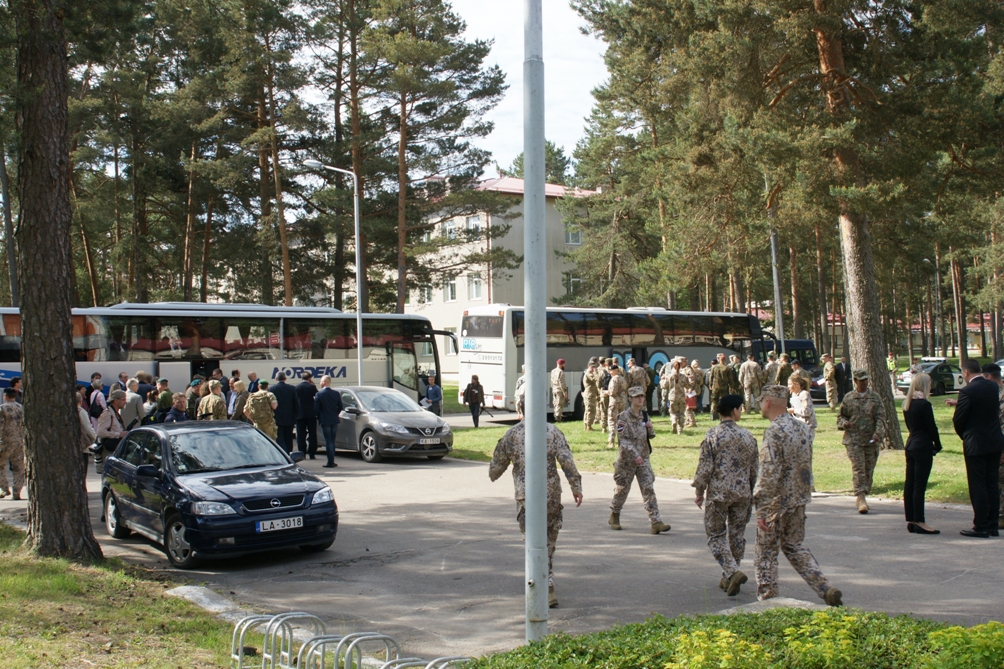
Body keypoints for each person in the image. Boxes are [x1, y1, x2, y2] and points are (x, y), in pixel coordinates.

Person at [754, 385, 843, 606]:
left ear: (767, 402)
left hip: (777, 501)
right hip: (799, 497)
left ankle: (768, 598)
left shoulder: (775, 431)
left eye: (761, 401)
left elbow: (768, 472)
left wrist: (761, 508)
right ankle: (824, 586)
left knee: (766, 552)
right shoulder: (802, 428)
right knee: (794, 545)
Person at [489, 420, 583, 609]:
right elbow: (566, 460)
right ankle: (546, 583)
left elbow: (496, 468)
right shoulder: (552, 431)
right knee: (548, 540)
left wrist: (495, 471)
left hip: (527, 496)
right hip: (551, 493)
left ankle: (542, 583)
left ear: (521, 410)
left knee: (532, 541)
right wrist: (576, 487)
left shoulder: (513, 434)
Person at [693, 394, 759, 596]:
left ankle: (731, 571)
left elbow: (705, 466)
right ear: (736, 410)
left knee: (715, 535)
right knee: (737, 535)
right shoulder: (748, 436)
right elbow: (755, 469)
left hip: (719, 493)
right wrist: (752, 491)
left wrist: (699, 490)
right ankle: (729, 575)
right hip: (742, 493)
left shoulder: (712, 435)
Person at [952, 359, 1004, 537]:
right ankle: (992, 524)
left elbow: (959, 419)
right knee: (991, 483)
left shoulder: (967, 391)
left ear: (966, 372)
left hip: (976, 442)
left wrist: (964, 435)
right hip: (994, 441)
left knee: (978, 485)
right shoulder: (993, 387)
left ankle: (980, 525)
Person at [609, 386, 672, 534]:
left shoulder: (644, 415)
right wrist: (634, 454)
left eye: (642, 396)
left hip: (643, 459)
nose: (640, 399)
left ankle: (655, 522)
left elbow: (650, 436)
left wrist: (650, 428)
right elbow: (623, 440)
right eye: (637, 396)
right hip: (627, 461)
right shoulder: (623, 417)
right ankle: (615, 515)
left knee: (648, 488)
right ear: (630, 398)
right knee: (622, 489)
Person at [837, 369, 886, 514]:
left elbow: (881, 418)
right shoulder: (849, 398)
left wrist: (878, 433)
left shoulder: (875, 398)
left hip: (871, 440)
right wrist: (844, 424)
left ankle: (862, 494)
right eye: (861, 380)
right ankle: (861, 497)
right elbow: (841, 417)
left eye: (866, 380)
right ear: (855, 381)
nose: (864, 383)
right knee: (858, 468)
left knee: (868, 469)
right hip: (853, 440)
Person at [902, 372, 941, 535]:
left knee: (910, 483)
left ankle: (911, 518)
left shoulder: (907, 403)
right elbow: (931, 427)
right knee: (919, 485)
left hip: (911, 445)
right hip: (922, 446)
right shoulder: (924, 405)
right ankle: (920, 520)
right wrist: (937, 444)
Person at [0, 388, 25, 499]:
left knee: (1, 465)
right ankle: (17, 491)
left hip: (5, 441)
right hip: (19, 441)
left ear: (5, 396)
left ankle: (4, 488)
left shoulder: (2, 409)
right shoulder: (21, 408)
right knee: (18, 467)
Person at [314, 376, 343, 468]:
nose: (320, 382)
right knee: (332, 441)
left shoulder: (319, 394)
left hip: (325, 420)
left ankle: (330, 462)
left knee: (328, 441)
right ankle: (332, 460)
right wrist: (335, 414)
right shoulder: (336, 393)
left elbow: (316, 409)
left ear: (325, 382)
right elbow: (340, 407)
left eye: (321, 381)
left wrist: (319, 417)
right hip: (334, 420)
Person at [95, 389, 129, 465]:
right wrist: (119, 434)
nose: (125, 402)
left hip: (115, 449)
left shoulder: (115, 413)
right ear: (116, 400)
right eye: (123, 399)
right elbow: (100, 432)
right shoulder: (107, 414)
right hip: (109, 450)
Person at [270, 372, 300, 453]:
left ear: (276, 379)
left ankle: (283, 454)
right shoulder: (292, 388)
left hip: (277, 417)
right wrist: (296, 415)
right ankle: (289, 454)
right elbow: (296, 403)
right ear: (285, 379)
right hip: (289, 418)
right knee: (289, 438)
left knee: (280, 438)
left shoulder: (272, 389)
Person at [661, 359, 689, 434]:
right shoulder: (683, 376)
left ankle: (673, 421)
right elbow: (688, 386)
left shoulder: (670, 376)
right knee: (681, 413)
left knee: (673, 412)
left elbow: (664, 386)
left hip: (673, 397)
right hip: (682, 397)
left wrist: (662, 380)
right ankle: (680, 430)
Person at [295, 372, 319, 458]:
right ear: (309, 379)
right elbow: (317, 397)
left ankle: (302, 453)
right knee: (312, 434)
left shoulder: (296, 387)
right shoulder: (312, 387)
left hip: (300, 414)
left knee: (300, 435)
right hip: (311, 414)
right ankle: (312, 453)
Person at [606, 364, 628, 449]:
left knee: (612, 421)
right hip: (622, 402)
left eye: (611, 370)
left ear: (616, 370)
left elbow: (612, 392)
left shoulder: (614, 379)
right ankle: (621, 442)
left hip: (614, 403)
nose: (610, 372)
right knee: (621, 422)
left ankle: (611, 441)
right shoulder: (623, 379)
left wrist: (606, 392)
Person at [582, 357, 602, 431]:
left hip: (591, 394)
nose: (594, 368)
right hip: (590, 394)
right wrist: (596, 372)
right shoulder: (589, 373)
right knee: (591, 410)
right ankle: (588, 426)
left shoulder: (589, 373)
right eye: (592, 366)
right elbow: (596, 379)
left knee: (588, 410)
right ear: (589, 366)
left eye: (594, 366)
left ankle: (587, 425)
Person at [77, 391, 97, 465]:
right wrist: (95, 438)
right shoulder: (81, 412)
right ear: (80, 401)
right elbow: (88, 428)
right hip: (83, 445)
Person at [709, 353, 731, 420]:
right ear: (724, 360)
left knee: (714, 401)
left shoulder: (714, 367)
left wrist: (710, 385)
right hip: (724, 387)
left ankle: (713, 415)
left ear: (719, 360)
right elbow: (730, 379)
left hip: (715, 387)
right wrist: (731, 387)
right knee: (722, 401)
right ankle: (721, 416)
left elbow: (711, 377)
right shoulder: (727, 368)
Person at [599, 359, 612, 432]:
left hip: (604, 392)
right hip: (612, 393)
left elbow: (598, 383)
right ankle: (612, 426)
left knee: (603, 410)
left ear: (605, 364)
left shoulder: (602, 372)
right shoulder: (615, 371)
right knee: (611, 409)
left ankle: (604, 428)